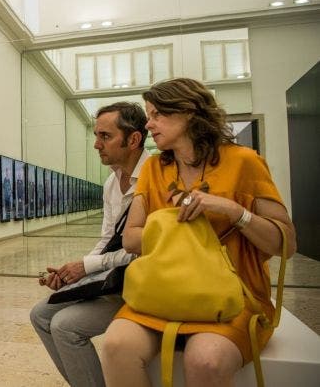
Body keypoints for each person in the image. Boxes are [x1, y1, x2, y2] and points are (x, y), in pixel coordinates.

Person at [102, 78, 296, 387]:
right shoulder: (154, 168)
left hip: (233, 296)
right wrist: (174, 224)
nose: (149, 124)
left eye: (157, 114)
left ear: (189, 112)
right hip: (163, 291)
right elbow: (131, 238)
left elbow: (285, 244)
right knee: (115, 347)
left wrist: (234, 212)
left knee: (205, 359)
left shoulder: (245, 162)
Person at [30, 102, 150, 387]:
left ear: (133, 139)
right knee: (40, 314)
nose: (97, 144)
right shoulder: (111, 183)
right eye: (96, 135)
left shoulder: (153, 178)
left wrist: (86, 266)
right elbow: (107, 242)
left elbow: (141, 250)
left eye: (105, 136)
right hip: (114, 279)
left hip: (140, 285)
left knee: (64, 326)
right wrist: (76, 271)